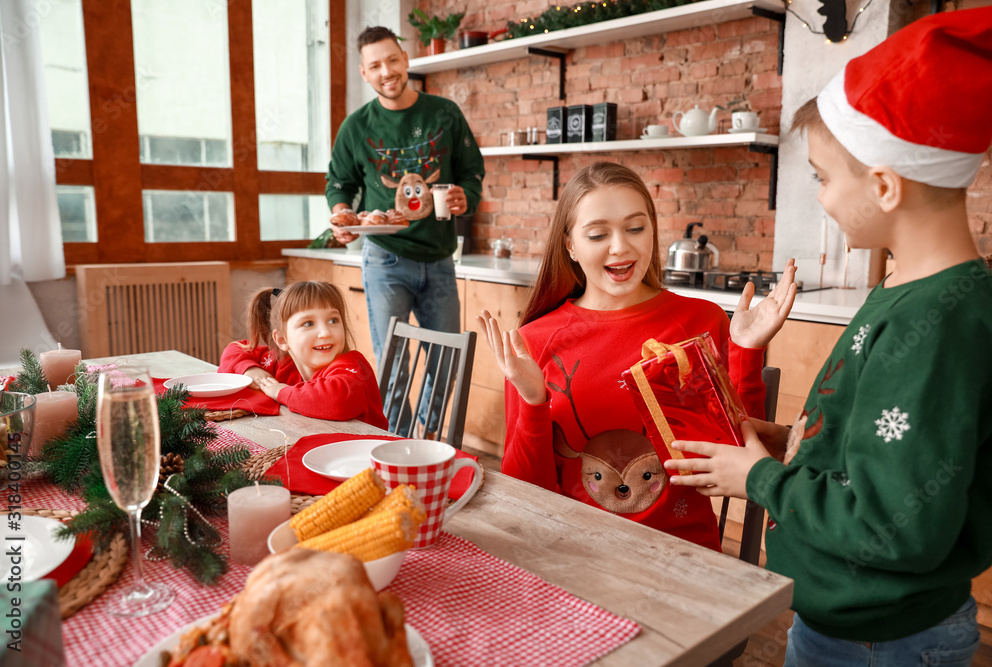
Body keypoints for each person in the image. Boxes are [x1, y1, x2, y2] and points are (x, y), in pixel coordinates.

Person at [665, 9, 992, 665]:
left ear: (884, 186)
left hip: (883, 642)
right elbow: (872, 454)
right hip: (845, 624)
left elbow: (894, 526)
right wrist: (782, 444)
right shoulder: (908, 290)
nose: (820, 195)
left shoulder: (941, 325)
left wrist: (759, 477)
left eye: (821, 176)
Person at [476, 162, 796, 550]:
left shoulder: (700, 319)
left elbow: (744, 453)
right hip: (571, 550)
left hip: (683, 552)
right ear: (570, 246)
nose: (621, 247)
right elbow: (527, 493)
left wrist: (747, 350)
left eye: (635, 228)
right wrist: (533, 402)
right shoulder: (537, 341)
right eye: (597, 234)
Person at [326, 25, 485, 436]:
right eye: (375, 65)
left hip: (439, 259)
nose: (387, 71)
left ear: (405, 60)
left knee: (444, 363)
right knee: (393, 366)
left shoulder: (444, 113)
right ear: (364, 73)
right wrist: (343, 214)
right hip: (385, 259)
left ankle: (427, 441)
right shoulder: (356, 127)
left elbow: (471, 173)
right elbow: (339, 185)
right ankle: (394, 445)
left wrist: (465, 196)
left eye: (392, 60)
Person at [219, 281, 388, 430]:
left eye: (333, 320)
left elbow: (337, 401)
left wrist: (279, 391)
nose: (325, 332)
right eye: (308, 323)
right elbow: (234, 350)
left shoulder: (352, 366)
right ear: (282, 340)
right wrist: (251, 370)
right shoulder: (282, 362)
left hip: (366, 456)